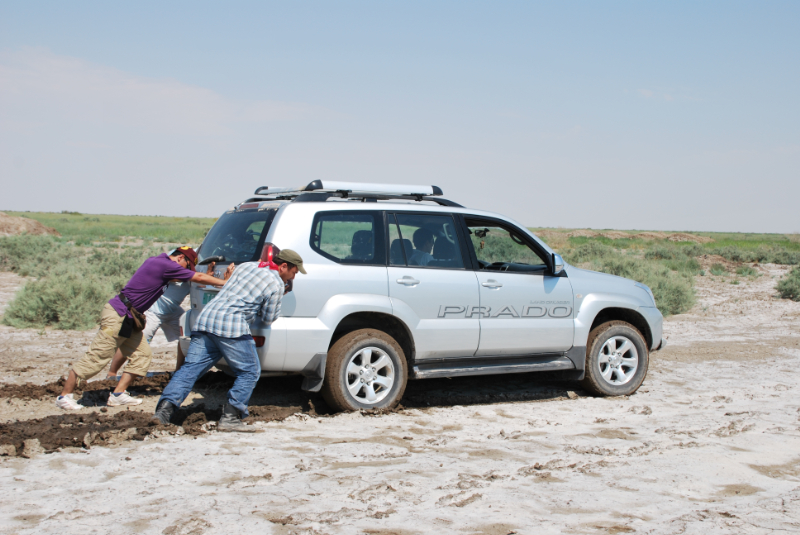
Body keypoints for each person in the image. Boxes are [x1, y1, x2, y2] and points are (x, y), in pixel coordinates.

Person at [56, 247, 230, 410]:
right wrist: (224, 282)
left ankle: (118, 394)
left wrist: (204, 274)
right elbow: (196, 278)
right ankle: (64, 396)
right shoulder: (164, 265)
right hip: (119, 314)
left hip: (131, 316)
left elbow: (184, 278)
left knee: (142, 354)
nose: (187, 269)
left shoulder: (159, 262)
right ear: (180, 257)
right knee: (97, 356)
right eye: (187, 265)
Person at [153, 248, 306, 432]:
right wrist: (282, 294)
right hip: (231, 326)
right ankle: (231, 417)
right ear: (283, 266)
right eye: (293, 272)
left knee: (190, 369)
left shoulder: (247, 266)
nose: (293, 278)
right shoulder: (276, 283)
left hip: (206, 319)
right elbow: (268, 318)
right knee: (250, 371)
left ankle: (163, 412)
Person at [106, 259, 230, 377]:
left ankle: (179, 370)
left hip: (172, 310)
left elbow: (202, 285)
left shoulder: (191, 274)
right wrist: (202, 275)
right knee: (136, 341)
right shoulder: (172, 270)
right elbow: (192, 277)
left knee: (185, 335)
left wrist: (213, 276)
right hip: (153, 311)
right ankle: (112, 372)